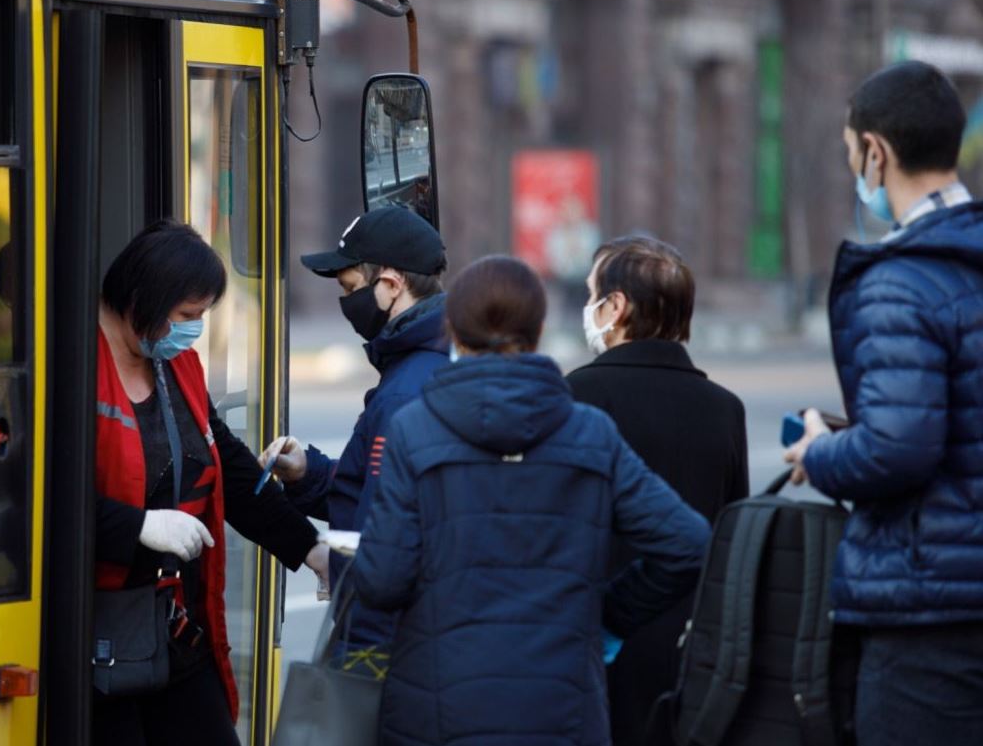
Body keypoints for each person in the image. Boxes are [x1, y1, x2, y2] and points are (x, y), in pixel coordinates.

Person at [352, 255, 711, 746]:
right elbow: (689, 542)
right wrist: (606, 614)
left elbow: (381, 581)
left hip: (437, 707)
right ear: (539, 330)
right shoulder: (590, 433)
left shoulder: (414, 431)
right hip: (562, 708)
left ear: (453, 330)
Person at [784, 60, 983, 746]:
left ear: (876, 152)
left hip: (928, 613)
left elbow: (898, 448)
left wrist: (819, 450)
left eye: (850, 155)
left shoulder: (898, 280)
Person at [93, 220, 330, 746]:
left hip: (172, 625)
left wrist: (310, 548)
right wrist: (137, 526)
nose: (194, 329)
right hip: (95, 639)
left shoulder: (176, 365)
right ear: (143, 300)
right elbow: (39, 498)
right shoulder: (70, 363)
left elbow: (231, 471)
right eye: (187, 316)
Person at [567, 236, 748, 746]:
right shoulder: (724, 409)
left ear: (617, 306)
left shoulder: (575, 396)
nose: (589, 308)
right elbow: (730, 539)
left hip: (600, 652)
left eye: (592, 294)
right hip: (695, 658)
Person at [258, 205, 448, 677]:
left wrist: (356, 663)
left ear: (390, 283)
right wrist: (309, 472)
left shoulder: (406, 390)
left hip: (391, 647)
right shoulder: (428, 360)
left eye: (350, 289)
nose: (347, 306)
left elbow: (379, 545)